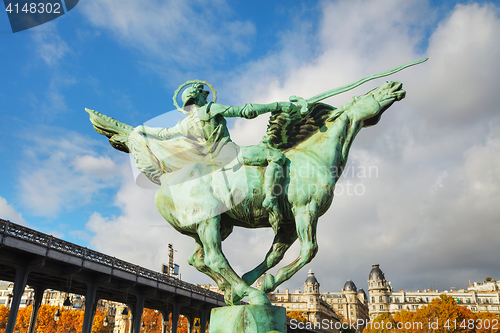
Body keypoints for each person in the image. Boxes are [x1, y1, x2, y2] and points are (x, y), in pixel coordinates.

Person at [134, 82, 299, 233]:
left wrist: (143, 128)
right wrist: (277, 106)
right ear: (197, 97)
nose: (205, 95)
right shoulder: (210, 109)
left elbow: (164, 133)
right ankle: (271, 199)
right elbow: (245, 111)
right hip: (230, 153)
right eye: (202, 93)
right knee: (276, 156)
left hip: (212, 161)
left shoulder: (184, 124)